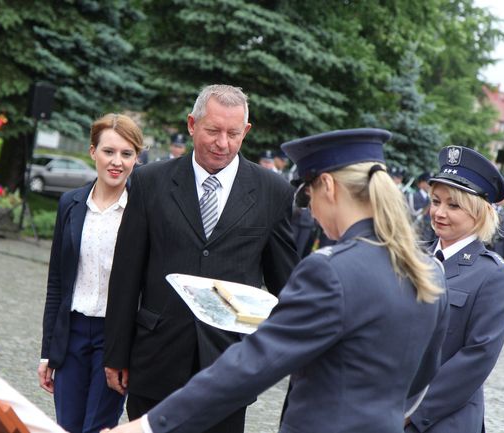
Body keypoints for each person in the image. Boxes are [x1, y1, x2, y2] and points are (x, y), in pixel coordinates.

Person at [103, 128, 449, 433]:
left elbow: (252, 365)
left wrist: (150, 425)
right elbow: (424, 373)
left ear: (327, 186)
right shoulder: (429, 271)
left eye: (309, 196)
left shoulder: (331, 272)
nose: (311, 211)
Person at [102, 84, 299, 433]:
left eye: (233, 133)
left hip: (229, 367)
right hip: (155, 359)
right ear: (192, 125)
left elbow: (286, 285)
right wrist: (116, 353)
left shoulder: (273, 192)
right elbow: (126, 273)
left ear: (246, 132)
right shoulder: (150, 182)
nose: (222, 143)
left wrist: (280, 358)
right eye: (213, 130)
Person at [39, 113, 144, 433]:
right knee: (66, 426)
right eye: (109, 151)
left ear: (136, 158)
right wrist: (47, 351)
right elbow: (57, 281)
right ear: (92, 152)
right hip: (71, 334)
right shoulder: (71, 203)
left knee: (98, 427)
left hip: (115, 338)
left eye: (127, 154)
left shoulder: (143, 210)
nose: (117, 162)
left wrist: (127, 351)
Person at [405, 145, 504, 433]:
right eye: (436, 201)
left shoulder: (494, 275)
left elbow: (477, 357)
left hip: (441, 419)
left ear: (478, 213)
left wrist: (412, 413)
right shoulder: (413, 259)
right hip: (387, 407)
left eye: (453, 205)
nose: (439, 212)